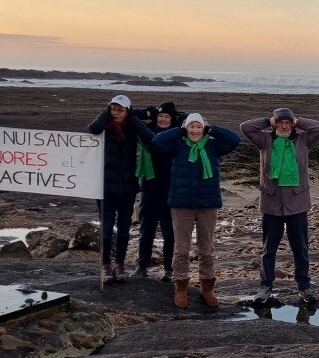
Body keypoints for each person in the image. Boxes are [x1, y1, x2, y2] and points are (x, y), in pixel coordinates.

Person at [152, 112, 241, 308]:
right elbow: (157, 142)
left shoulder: (212, 145)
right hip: (181, 203)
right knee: (181, 248)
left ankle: (207, 288)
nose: (195, 130)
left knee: (206, 248)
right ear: (186, 128)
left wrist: (212, 129)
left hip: (207, 203)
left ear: (203, 128)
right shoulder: (178, 144)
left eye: (198, 126)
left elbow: (234, 140)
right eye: (191, 127)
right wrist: (179, 130)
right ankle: (181, 287)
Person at [241, 107, 319, 305]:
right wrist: (266, 120)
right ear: (275, 123)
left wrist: (298, 121)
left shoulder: (303, 139)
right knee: (268, 249)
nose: (284, 126)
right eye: (280, 122)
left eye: (288, 122)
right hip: (271, 203)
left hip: (297, 203)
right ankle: (265, 287)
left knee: (301, 248)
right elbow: (245, 127)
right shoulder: (264, 140)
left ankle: (304, 287)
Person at [87, 95, 154, 282]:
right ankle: (106, 265)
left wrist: (134, 118)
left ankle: (120, 264)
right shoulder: (104, 127)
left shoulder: (132, 127)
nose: (116, 113)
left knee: (124, 229)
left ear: (127, 111)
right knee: (106, 229)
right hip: (105, 188)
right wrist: (105, 114)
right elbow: (92, 129)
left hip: (127, 188)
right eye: (113, 109)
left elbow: (150, 138)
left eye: (120, 110)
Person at [135, 100, 183, 281]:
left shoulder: (178, 132)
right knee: (146, 229)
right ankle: (142, 266)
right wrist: (148, 112)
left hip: (171, 188)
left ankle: (169, 270)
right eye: (160, 116)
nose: (163, 119)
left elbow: (191, 119)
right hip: (148, 186)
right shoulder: (147, 131)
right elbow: (131, 116)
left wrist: (178, 116)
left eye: (167, 116)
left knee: (169, 231)